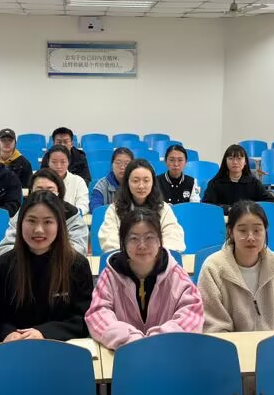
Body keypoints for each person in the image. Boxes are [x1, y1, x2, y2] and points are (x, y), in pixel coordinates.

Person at [85, 207, 204, 350]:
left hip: (167, 351)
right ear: (123, 243)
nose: (142, 245)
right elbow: (97, 314)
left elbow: (192, 313)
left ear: (160, 241)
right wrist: (130, 339)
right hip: (123, 352)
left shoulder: (176, 275)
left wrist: (157, 340)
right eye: (134, 238)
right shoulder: (111, 275)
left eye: (149, 237)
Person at [0, 191, 94, 341]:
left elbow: (83, 318)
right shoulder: (0, 267)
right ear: (20, 223)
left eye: (48, 222)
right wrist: (7, 333)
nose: (38, 230)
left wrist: (44, 333)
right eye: (31, 221)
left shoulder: (77, 265)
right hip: (13, 346)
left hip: (60, 346)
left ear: (59, 225)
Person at [198, 200, 274, 332]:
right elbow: (212, 324)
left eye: (257, 230)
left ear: (265, 231)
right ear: (230, 231)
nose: (251, 237)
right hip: (229, 344)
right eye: (242, 230)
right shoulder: (212, 268)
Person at [98, 159, 185, 253]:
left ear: (153, 182)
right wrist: (131, 255)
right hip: (124, 259)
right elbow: (108, 239)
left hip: (157, 258)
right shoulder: (115, 209)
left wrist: (153, 255)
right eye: (135, 181)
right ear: (127, 183)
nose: (141, 186)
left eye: (146, 181)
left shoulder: (163, 208)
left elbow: (174, 237)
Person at [0, 168, 88, 255]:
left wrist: (45, 257)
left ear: (59, 193)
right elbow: (6, 247)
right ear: (31, 192)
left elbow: (79, 249)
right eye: (39, 190)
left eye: (50, 190)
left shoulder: (71, 214)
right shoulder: (23, 212)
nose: (44, 195)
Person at [202, 144, 274, 214]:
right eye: (231, 158)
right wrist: (229, 209)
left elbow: (272, 202)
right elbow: (207, 205)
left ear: (245, 162)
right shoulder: (215, 183)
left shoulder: (253, 183)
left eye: (239, 158)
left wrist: (250, 208)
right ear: (225, 161)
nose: (235, 162)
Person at [45, 144, 89, 215]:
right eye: (54, 162)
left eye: (63, 162)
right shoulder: (42, 181)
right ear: (48, 162)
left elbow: (83, 206)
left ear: (68, 162)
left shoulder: (78, 181)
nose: (58, 166)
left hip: (71, 219)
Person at [90, 147, 134, 212]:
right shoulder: (101, 185)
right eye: (118, 163)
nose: (122, 167)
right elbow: (95, 207)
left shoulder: (137, 184)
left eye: (127, 164)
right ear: (112, 165)